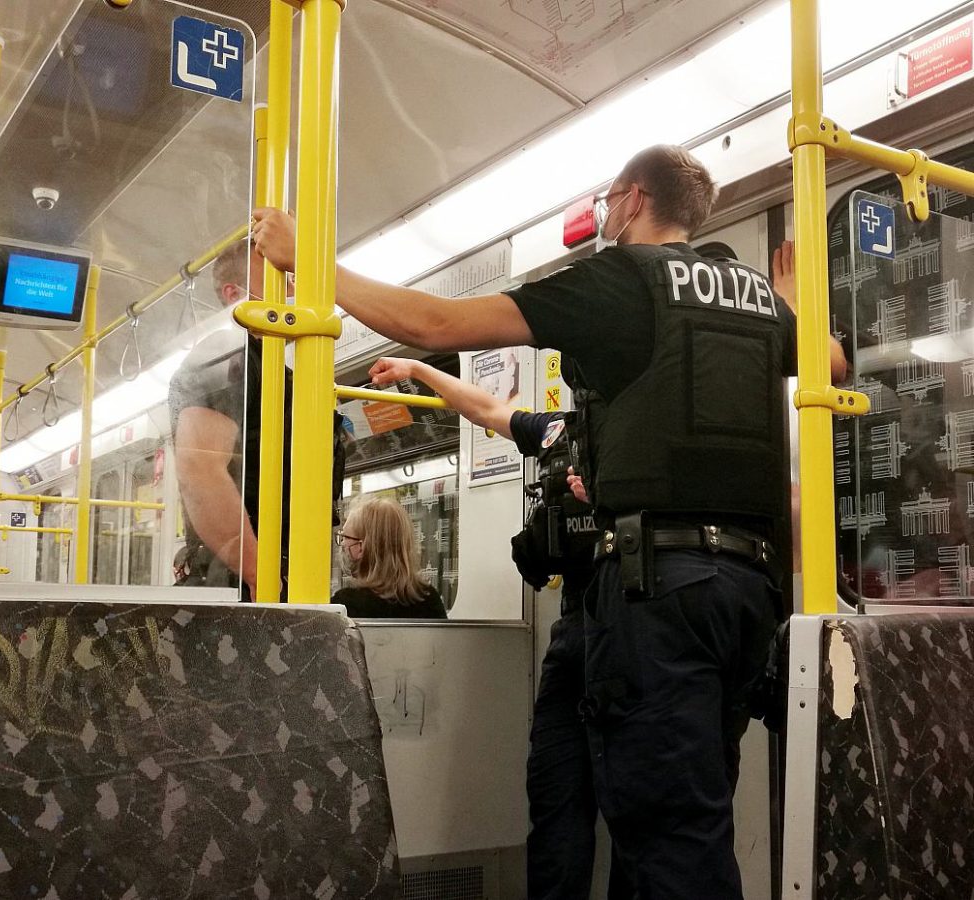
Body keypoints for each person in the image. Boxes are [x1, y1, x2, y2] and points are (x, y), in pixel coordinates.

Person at [252, 144, 847, 898]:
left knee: (669, 840)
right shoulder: (758, 297)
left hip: (659, 594)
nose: (604, 215)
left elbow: (435, 321)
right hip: (752, 595)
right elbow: (833, 364)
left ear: (633, 199)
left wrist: (310, 262)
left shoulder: (622, 281)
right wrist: (792, 298)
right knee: (691, 813)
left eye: (607, 201)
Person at [368, 355, 628, 899]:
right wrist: (419, 368)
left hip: (634, 635)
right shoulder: (559, 432)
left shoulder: (639, 445)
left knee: (638, 817)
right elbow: (486, 409)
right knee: (554, 802)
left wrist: (611, 499)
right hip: (574, 636)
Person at [168, 240, 345, 600]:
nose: (294, 289)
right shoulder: (226, 352)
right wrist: (261, 576)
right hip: (242, 581)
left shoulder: (276, 368)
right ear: (236, 295)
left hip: (276, 572)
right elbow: (200, 469)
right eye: (280, 279)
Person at [332, 496, 448, 619]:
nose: (343, 544)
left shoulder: (344, 605)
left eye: (345, 537)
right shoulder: (429, 599)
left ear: (361, 547)